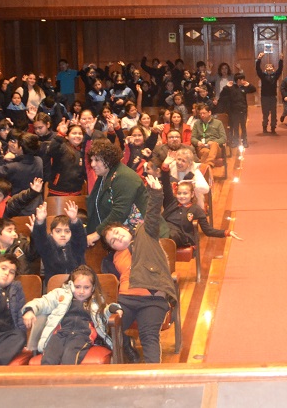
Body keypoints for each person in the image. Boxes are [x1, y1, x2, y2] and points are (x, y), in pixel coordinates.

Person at [102, 172, 178, 363]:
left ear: (126, 229)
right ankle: (126, 346)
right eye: (112, 240)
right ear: (112, 247)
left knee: (148, 337)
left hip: (152, 298)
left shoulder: (145, 234)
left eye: (118, 233)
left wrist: (156, 193)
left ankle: (153, 377)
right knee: (107, 331)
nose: (117, 238)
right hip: (126, 300)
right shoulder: (115, 259)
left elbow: (152, 215)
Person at [22, 265, 114, 364]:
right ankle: (48, 379)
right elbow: (43, 302)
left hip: (83, 335)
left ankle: (67, 379)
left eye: (86, 287)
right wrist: (29, 309)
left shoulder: (96, 301)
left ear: (93, 288)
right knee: (49, 358)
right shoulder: (61, 295)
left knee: (69, 357)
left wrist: (114, 308)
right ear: (71, 285)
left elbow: (106, 310)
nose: (81, 291)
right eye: (77, 287)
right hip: (60, 332)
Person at [85, 140, 148, 247]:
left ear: (108, 160)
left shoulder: (124, 177)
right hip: (118, 234)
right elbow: (96, 206)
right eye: (91, 160)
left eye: (97, 160)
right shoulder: (105, 175)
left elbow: (120, 212)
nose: (92, 164)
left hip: (138, 236)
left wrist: (97, 234)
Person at [161, 178, 241, 248]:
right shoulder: (171, 202)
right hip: (163, 229)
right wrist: (165, 168)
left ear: (192, 194)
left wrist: (227, 232)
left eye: (185, 193)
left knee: (169, 235)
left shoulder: (196, 209)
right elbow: (166, 184)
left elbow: (208, 231)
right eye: (179, 193)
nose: (182, 196)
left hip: (179, 236)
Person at [31, 199, 87, 281]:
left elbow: (80, 236)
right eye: (58, 231)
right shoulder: (47, 247)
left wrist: (74, 220)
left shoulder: (77, 246)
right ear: (51, 233)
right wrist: (40, 222)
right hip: (55, 287)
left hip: (77, 285)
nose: (63, 234)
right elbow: (40, 238)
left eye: (67, 231)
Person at [216, 73, 255, 149]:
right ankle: (236, 141)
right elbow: (222, 94)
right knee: (235, 127)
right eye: (242, 79)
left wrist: (248, 84)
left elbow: (253, 89)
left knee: (243, 127)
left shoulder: (244, 87)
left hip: (243, 110)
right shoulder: (231, 88)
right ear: (238, 80)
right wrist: (227, 86)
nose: (243, 81)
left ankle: (244, 141)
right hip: (234, 111)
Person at [191, 104, 227, 172]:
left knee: (214, 144)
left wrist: (215, 142)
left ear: (209, 112)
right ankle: (208, 172)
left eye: (204, 113)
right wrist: (198, 142)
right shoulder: (197, 124)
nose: (202, 115)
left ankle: (209, 165)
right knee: (206, 152)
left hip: (216, 148)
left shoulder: (218, 123)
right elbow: (193, 138)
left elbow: (224, 138)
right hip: (203, 147)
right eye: (200, 114)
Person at [255, 53, 283, 134]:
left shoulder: (275, 76)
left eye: (271, 66)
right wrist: (259, 59)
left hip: (273, 97)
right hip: (264, 97)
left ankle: (273, 128)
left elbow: (280, 69)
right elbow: (258, 69)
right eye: (267, 67)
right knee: (265, 114)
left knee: (274, 114)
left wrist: (281, 60)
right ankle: (264, 127)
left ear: (273, 69)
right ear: (265, 69)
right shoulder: (263, 76)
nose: (269, 68)